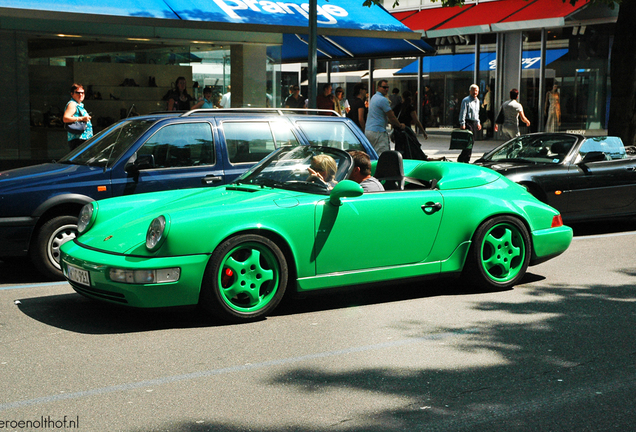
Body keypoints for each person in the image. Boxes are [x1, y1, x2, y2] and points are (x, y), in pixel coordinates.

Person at [365, 79, 405, 155]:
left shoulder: (374, 97)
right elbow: (391, 116)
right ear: (378, 87)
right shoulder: (383, 100)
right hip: (378, 132)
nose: (386, 89)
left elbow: (380, 115)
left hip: (369, 131)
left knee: (372, 154)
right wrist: (400, 125)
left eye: (387, 87)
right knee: (383, 154)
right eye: (384, 87)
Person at [63, 83, 93, 151]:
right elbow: (65, 118)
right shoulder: (72, 104)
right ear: (72, 94)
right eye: (77, 93)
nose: (80, 95)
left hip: (82, 139)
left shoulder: (78, 105)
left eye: (82, 93)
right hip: (78, 139)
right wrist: (82, 118)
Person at [458, 84, 482, 163]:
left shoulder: (477, 101)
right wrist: (462, 123)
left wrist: (478, 122)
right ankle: (464, 157)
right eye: (473, 90)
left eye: (476, 91)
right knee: (468, 141)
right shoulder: (466, 100)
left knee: (472, 142)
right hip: (468, 122)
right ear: (470, 91)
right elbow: (463, 112)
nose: (475, 92)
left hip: (474, 122)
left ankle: (465, 157)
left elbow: (477, 113)